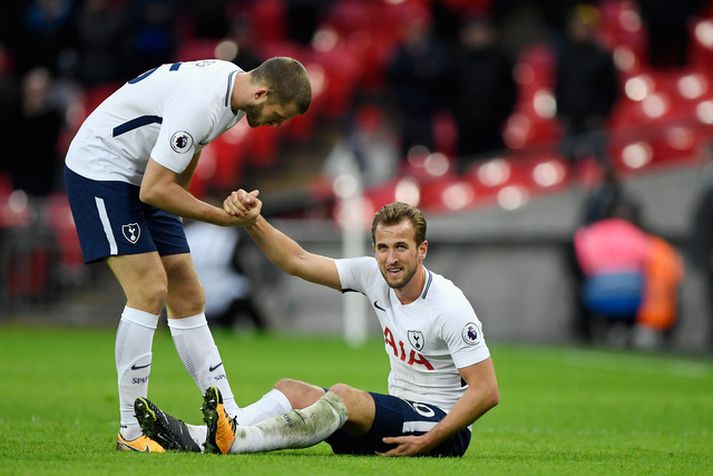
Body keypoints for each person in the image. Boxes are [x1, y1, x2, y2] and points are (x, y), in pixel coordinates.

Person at [63, 56, 312, 452]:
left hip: (144, 173)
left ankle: (227, 416)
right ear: (262, 92)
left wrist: (213, 205)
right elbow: (155, 190)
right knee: (148, 289)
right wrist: (220, 217)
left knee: (188, 294)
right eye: (278, 115)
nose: (276, 124)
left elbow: (179, 168)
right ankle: (131, 431)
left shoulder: (233, 96)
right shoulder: (204, 102)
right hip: (102, 170)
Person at [133, 201, 499, 457]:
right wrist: (253, 221)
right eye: (382, 247)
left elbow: (486, 392)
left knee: (343, 396)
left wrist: (429, 440)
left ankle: (238, 440)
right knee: (290, 390)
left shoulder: (449, 306)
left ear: (422, 250)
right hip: (394, 418)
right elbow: (297, 261)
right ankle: (200, 437)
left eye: (401, 247)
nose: (390, 258)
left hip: (441, 432)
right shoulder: (374, 274)